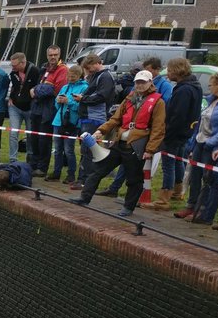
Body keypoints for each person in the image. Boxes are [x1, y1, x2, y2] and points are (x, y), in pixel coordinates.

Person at [69, 70, 166, 217]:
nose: (139, 85)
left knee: (134, 179)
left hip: (136, 145)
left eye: (143, 82)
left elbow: (158, 128)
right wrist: (101, 131)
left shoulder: (158, 102)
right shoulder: (129, 98)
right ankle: (84, 197)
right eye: (137, 82)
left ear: (150, 83)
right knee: (98, 170)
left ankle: (128, 207)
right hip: (119, 142)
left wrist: (150, 149)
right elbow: (115, 118)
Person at [180, 72, 218, 224]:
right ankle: (191, 205)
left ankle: (202, 210)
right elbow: (201, 122)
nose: (209, 88)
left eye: (211, 85)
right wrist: (194, 142)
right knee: (194, 175)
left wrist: (212, 142)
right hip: (200, 141)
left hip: (212, 144)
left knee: (207, 177)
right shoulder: (210, 100)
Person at [155, 58, 201, 209]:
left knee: (168, 164)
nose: (167, 74)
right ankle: (177, 191)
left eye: (169, 70)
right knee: (178, 161)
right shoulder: (195, 86)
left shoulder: (183, 90)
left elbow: (178, 115)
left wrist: (167, 133)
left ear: (177, 70)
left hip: (175, 133)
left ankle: (164, 198)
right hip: (186, 132)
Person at [70, 55, 116, 190]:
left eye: (89, 68)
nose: (88, 71)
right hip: (88, 116)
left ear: (96, 63)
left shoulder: (105, 77)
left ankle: (85, 180)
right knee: (85, 149)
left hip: (95, 117)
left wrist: (83, 99)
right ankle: (83, 178)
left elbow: (102, 96)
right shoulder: (96, 76)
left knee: (88, 149)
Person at [28, 46, 68, 176]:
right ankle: (33, 164)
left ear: (59, 55)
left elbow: (55, 90)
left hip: (49, 108)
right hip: (37, 108)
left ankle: (42, 167)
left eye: (55, 55)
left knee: (44, 139)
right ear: (47, 55)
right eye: (51, 55)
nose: (53, 57)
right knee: (34, 138)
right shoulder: (44, 68)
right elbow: (39, 85)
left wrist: (37, 90)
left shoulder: (62, 70)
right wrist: (40, 88)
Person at [49, 65, 88, 184]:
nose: (70, 79)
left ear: (79, 76)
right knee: (57, 149)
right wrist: (58, 101)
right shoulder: (65, 87)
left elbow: (81, 108)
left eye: (73, 77)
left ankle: (71, 174)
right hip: (58, 121)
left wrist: (68, 101)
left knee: (68, 150)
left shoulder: (84, 88)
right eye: (69, 76)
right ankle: (56, 172)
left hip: (72, 123)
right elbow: (57, 106)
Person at [6, 52, 41, 164]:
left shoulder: (35, 71)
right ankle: (13, 159)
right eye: (12, 65)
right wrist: (11, 97)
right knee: (13, 133)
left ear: (23, 63)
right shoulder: (13, 73)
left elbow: (39, 87)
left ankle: (29, 159)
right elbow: (14, 86)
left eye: (15, 65)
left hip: (29, 108)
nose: (13, 67)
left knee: (30, 134)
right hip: (15, 107)